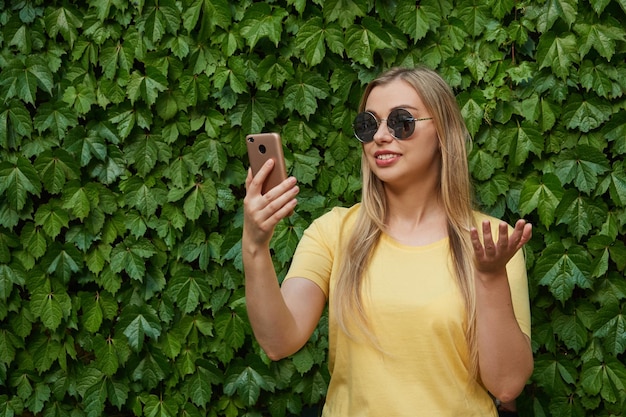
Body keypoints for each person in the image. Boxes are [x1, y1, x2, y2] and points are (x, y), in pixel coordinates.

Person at [242, 66, 533, 416]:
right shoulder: (332, 231)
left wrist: (489, 277)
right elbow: (278, 341)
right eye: (368, 124)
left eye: (401, 122)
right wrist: (255, 247)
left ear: (443, 132)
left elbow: (507, 384)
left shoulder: (491, 242)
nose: (381, 135)